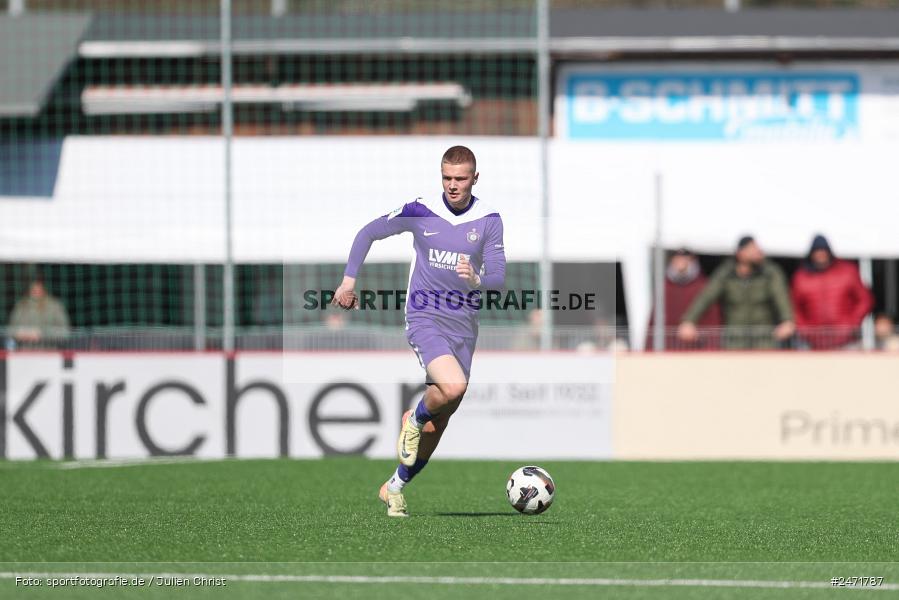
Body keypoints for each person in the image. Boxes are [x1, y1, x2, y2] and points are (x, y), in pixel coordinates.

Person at [332, 145, 505, 517]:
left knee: (441, 419)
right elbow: (367, 233)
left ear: (475, 178)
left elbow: (500, 277)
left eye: (461, 178)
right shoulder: (420, 209)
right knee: (452, 388)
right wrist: (348, 282)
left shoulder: (489, 219)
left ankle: (394, 486)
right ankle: (414, 417)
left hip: (464, 326)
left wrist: (479, 278)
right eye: (447, 178)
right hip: (424, 316)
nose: (453, 185)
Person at [678, 236, 794, 350]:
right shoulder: (725, 274)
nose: (758, 252)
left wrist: (787, 320)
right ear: (740, 253)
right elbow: (705, 297)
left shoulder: (770, 273)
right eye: (752, 249)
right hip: (735, 341)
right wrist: (689, 321)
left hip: (764, 340)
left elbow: (781, 297)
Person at [791, 235, 873, 350]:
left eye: (823, 251)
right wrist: (805, 329)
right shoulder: (801, 277)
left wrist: (852, 323)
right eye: (817, 251)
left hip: (846, 340)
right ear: (811, 254)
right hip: (814, 342)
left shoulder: (848, 271)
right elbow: (794, 307)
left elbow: (865, 299)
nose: (820, 255)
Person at [645, 248, 722, 350]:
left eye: (685, 259)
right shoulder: (665, 288)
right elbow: (653, 322)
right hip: (669, 351)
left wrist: (701, 337)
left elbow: (713, 323)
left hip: (697, 351)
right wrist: (648, 349)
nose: (680, 262)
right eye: (677, 259)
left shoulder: (703, 287)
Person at [8, 277, 71, 350]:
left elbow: (65, 332)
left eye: (39, 287)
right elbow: (10, 330)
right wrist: (19, 333)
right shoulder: (21, 306)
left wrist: (42, 333)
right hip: (25, 352)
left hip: (48, 352)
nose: (36, 291)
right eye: (33, 288)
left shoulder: (55, 306)